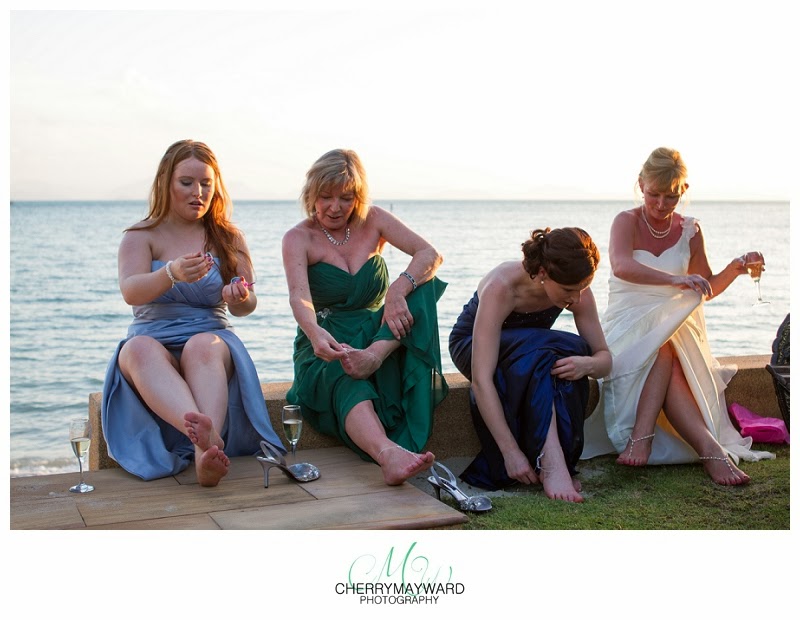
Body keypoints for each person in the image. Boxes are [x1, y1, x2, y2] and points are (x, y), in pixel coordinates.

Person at [581, 146, 774, 484]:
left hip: (673, 330)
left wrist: (737, 267)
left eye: (670, 197)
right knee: (665, 343)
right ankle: (708, 452)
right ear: (641, 185)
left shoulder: (691, 231)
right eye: (654, 194)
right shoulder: (624, 222)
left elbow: (706, 288)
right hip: (627, 328)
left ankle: (646, 439)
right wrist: (675, 279)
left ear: (683, 191)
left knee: (668, 342)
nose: (660, 205)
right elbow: (623, 267)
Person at [101, 139, 284, 486]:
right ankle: (207, 439)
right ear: (166, 182)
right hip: (151, 339)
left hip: (209, 339)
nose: (197, 192)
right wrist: (170, 273)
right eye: (187, 182)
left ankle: (204, 453)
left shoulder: (229, 237)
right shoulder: (140, 237)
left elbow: (247, 306)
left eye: (206, 183)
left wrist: (238, 296)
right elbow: (130, 291)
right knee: (136, 349)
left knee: (202, 345)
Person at [282, 148, 448, 486]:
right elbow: (299, 296)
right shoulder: (298, 238)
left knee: (425, 287)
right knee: (345, 374)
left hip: (380, 335)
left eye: (345, 198)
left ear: (358, 196)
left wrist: (397, 290)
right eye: (325, 197)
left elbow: (429, 254)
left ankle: (375, 357)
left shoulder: (373, 219)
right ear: (311, 195)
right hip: (328, 338)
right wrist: (314, 333)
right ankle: (388, 455)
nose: (334, 207)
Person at [449, 227, 612, 503]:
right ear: (543, 274)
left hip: (529, 354)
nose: (577, 298)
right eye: (570, 290)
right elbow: (481, 380)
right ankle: (551, 462)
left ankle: (557, 458)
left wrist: (586, 365)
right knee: (544, 352)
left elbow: (604, 359)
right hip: (472, 348)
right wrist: (509, 452)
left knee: (571, 352)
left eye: (582, 288)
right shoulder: (502, 286)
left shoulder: (576, 291)